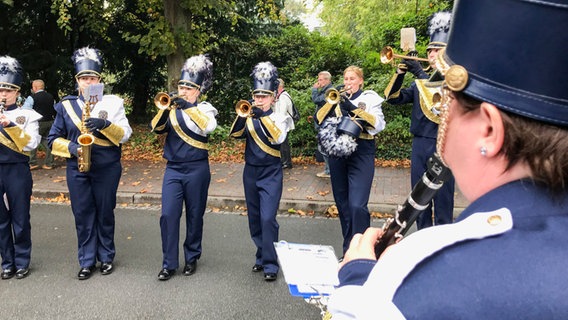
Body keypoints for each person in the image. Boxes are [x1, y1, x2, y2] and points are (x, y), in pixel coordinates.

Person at [328, 0, 568, 318]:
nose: (445, 115)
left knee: (442, 204)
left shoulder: (411, 289)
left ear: (488, 130)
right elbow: (396, 97)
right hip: (421, 148)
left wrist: (360, 285)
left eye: (451, 105)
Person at [47, 47, 132, 280]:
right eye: (84, 78)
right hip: (78, 167)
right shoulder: (65, 106)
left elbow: (125, 134)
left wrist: (104, 125)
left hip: (107, 166)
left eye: (92, 78)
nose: (88, 82)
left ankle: (106, 257)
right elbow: (52, 140)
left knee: (105, 212)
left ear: (99, 80)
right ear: (77, 81)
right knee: (83, 213)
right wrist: (74, 148)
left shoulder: (112, 103)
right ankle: (86, 260)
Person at [384, 11, 455, 230]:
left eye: (436, 50)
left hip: (444, 145)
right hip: (420, 144)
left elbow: (438, 99)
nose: (431, 54)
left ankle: (442, 244)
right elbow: (392, 98)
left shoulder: (453, 79)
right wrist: (400, 71)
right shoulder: (420, 80)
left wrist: (418, 73)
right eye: (429, 51)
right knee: (419, 196)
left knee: (443, 199)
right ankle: (422, 239)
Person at [150, 54, 217, 281]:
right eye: (181, 86)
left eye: (189, 88)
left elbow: (209, 127)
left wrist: (189, 107)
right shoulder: (172, 109)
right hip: (174, 169)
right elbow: (156, 128)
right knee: (168, 215)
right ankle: (169, 263)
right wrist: (165, 109)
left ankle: (192, 257)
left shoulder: (205, 109)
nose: (184, 91)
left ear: (198, 90)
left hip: (197, 168)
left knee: (195, 215)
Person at [229, 62, 292, 281]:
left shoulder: (279, 118)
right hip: (251, 172)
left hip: (271, 173)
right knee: (254, 219)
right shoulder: (249, 116)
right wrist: (244, 115)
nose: (259, 100)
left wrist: (261, 117)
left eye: (264, 97)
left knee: (268, 218)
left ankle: (270, 264)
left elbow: (278, 138)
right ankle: (261, 254)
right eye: (256, 96)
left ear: (273, 98)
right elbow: (234, 135)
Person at [315, 66, 386, 255]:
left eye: (352, 79)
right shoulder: (336, 97)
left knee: (357, 205)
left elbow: (377, 125)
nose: (348, 83)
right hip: (338, 155)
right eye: (346, 79)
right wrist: (332, 103)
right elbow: (318, 118)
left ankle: (363, 248)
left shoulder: (370, 98)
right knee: (343, 205)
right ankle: (348, 250)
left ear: (361, 80)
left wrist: (352, 108)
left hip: (362, 152)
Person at [0, 56, 42, 280]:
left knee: (20, 217)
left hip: (17, 169)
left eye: (8, 91)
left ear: (17, 92)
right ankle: (7, 262)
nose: (3, 95)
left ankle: (22, 260)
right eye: (0, 91)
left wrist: (11, 125)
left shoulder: (27, 115)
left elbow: (32, 144)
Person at [23, 79, 56, 170]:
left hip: (37, 122)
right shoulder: (51, 97)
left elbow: (25, 111)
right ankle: (49, 163)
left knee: (32, 140)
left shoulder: (31, 97)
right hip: (50, 122)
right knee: (48, 141)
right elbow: (54, 109)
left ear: (35, 87)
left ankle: (32, 162)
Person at [311, 71, 333, 178]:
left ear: (327, 80)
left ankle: (329, 171)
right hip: (323, 122)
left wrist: (314, 89)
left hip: (325, 123)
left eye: (320, 79)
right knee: (324, 148)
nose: (318, 82)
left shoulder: (329, 91)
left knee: (324, 148)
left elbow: (317, 100)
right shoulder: (325, 90)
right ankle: (329, 169)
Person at [273, 78, 294, 169]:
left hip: (283, 123)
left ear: (279, 86)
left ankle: (287, 162)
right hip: (280, 123)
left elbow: (282, 112)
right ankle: (283, 161)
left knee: (284, 143)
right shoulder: (278, 96)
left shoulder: (283, 96)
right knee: (282, 143)